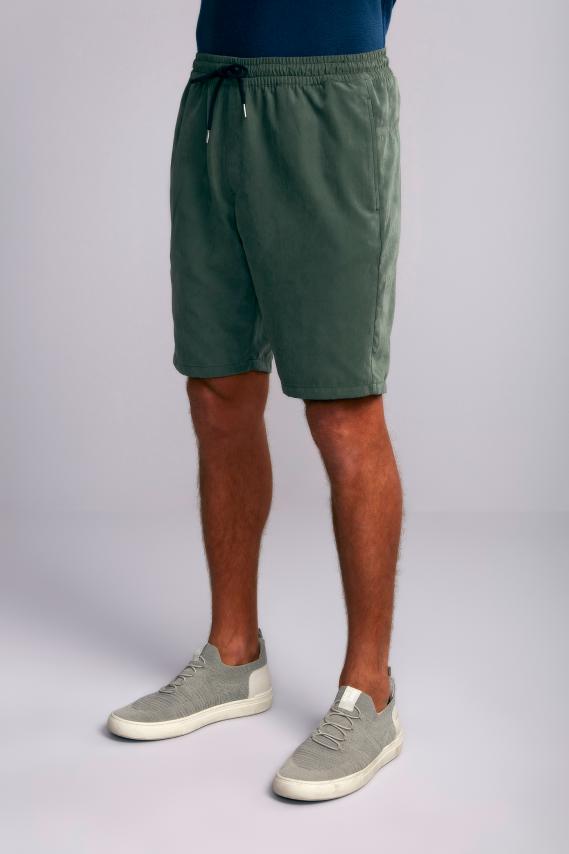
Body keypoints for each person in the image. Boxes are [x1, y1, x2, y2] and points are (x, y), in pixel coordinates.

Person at [108, 0, 403, 801]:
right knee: (218, 388)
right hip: (216, 93)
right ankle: (233, 656)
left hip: (329, 101)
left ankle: (370, 692)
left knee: (342, 407)